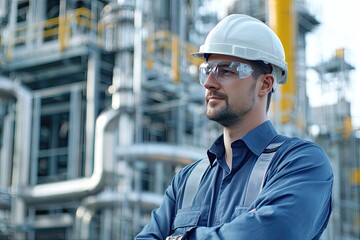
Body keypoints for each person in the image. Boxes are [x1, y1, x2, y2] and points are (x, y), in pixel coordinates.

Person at [135, 14, 333, 240]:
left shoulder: (299, 163)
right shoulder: (187, 180)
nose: (209, 82)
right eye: (207, 70)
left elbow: (272, 234)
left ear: (265, 84)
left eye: (226, 71)